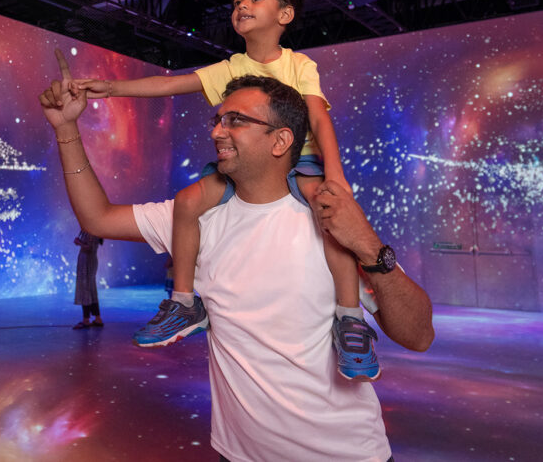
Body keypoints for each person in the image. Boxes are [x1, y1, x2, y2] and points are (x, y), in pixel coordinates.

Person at [40, 61, 434, 461]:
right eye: (217, 120)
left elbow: (418, 335)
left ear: (280, 141)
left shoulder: (329, 214)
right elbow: (98, 217)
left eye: (235, 121)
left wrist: (368, 246)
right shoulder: (193, 219)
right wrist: (66, 129)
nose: (216, 131)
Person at [71, 0, 373, 380]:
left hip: (300, 161)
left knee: (330, 216)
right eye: (237, 2)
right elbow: (170, 85)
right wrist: (112, 88)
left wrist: (334, 176)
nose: (242, 6)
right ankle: (183, 301)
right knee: (188, 200)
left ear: (285, 15)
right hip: (247, 169)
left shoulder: (300, 65)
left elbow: (319, 121)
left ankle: (349, 316)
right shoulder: (230, 67)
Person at [72, 229, 104, 329]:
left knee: (85, 289)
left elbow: (89, 247)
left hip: (87, 260)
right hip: (89, 260)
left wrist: (79, 242)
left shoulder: (92, 230)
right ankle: (97, 318)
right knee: (91, 289)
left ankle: (86, 319)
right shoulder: (93, 229)